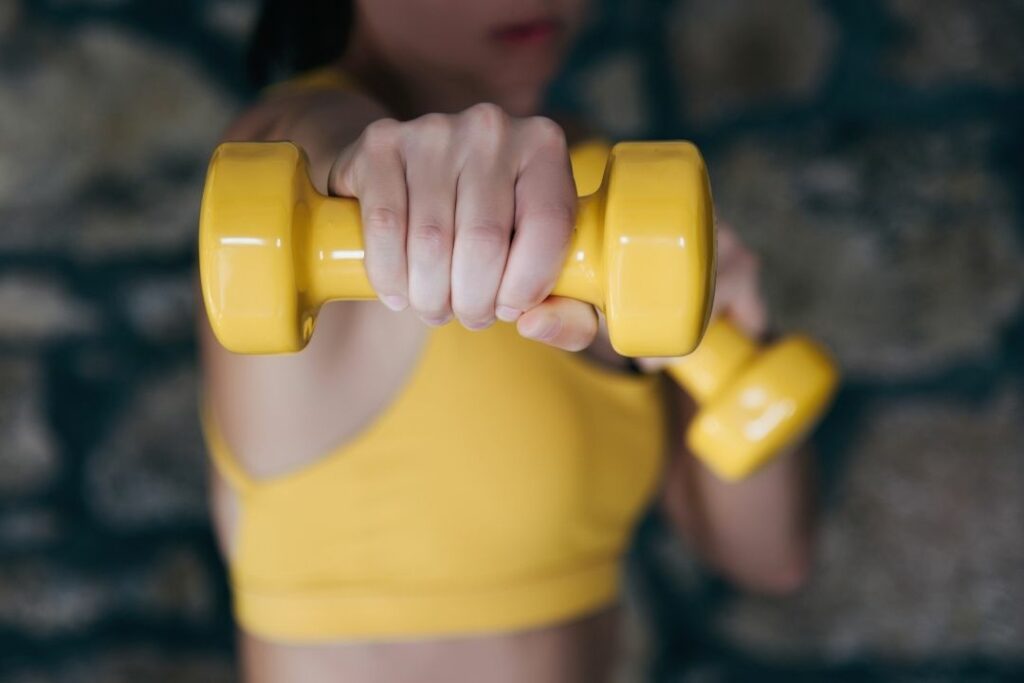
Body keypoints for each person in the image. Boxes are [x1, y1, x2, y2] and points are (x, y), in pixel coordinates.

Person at [197, 1, 815, 681]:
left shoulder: (599, 180)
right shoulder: (289, 152)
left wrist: (738, 340)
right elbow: (319, 144)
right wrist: (380, 172)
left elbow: (767, 556)